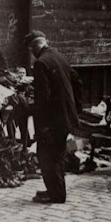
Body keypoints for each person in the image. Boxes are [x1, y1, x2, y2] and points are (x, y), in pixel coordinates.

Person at [26, 30, 81, 204]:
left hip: (51, 121)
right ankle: (56, 191)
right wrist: (75, 109)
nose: (32, 54)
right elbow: (77, 81)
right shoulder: (59, 56)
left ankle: (56, 195)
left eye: (31, 50)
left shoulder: (41, 63)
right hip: (64, 117)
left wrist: (40, 123)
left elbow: (43, 98)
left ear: (34, 47)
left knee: (47, 157)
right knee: (57, 155)